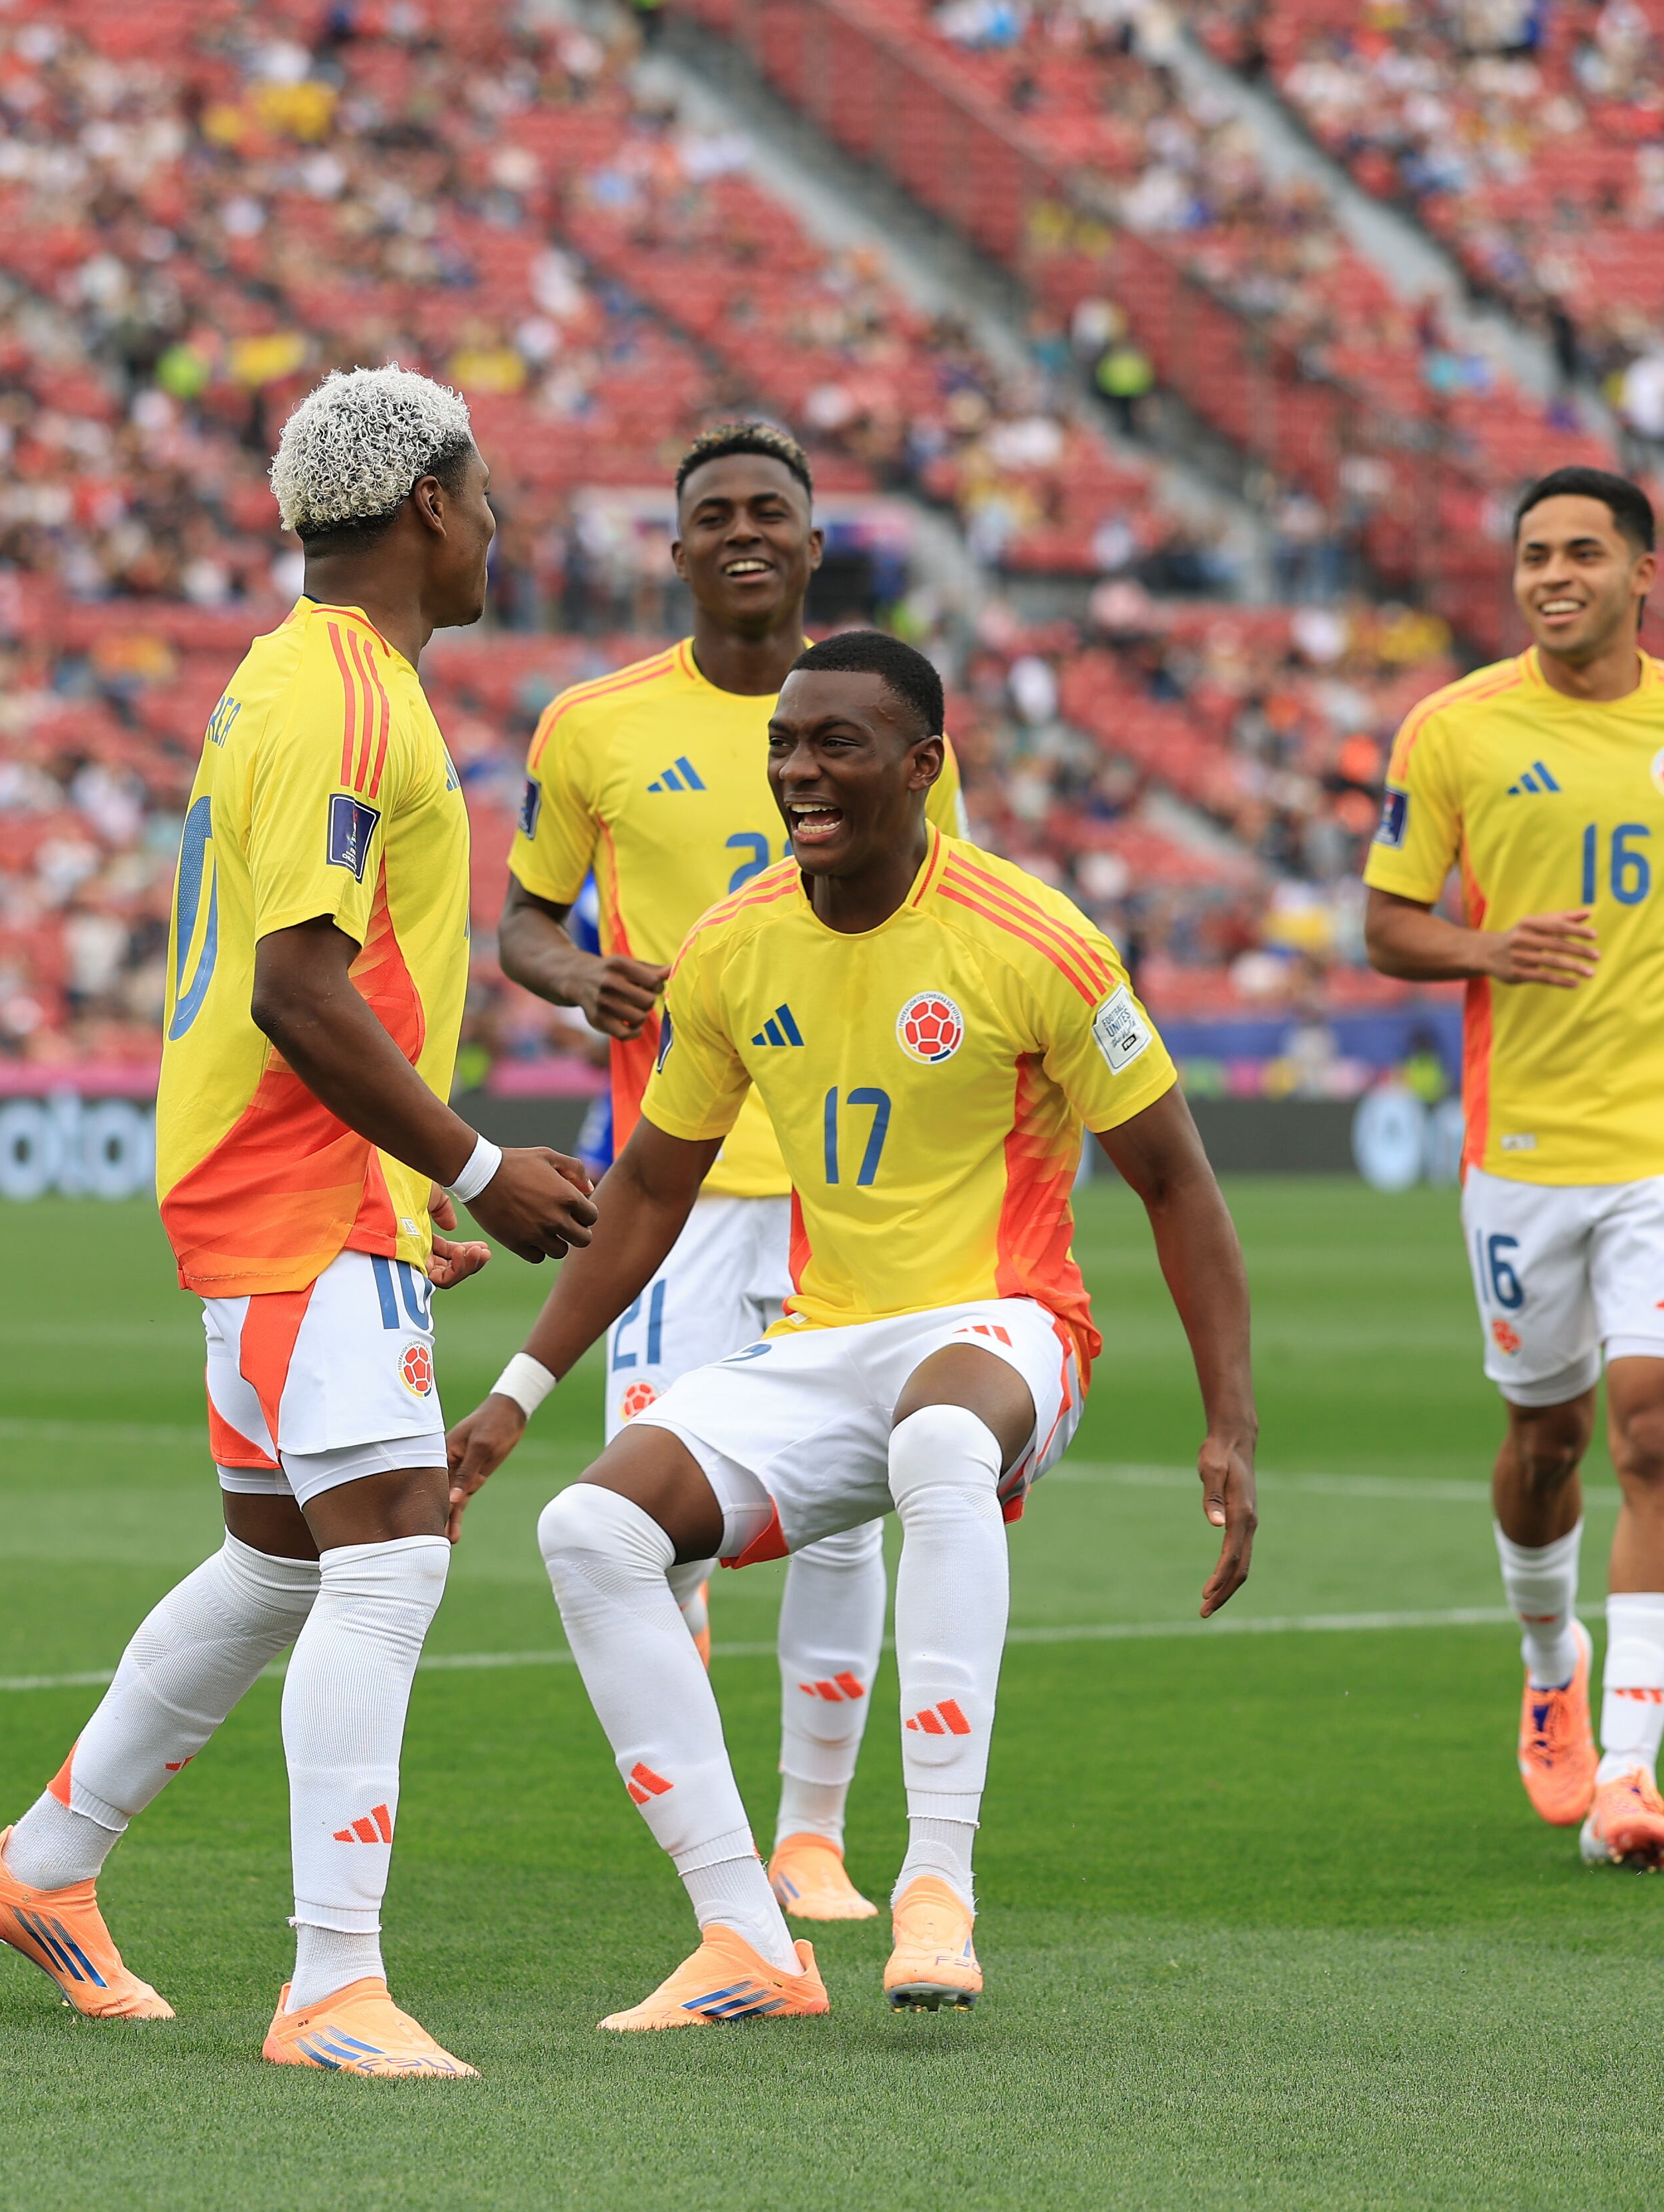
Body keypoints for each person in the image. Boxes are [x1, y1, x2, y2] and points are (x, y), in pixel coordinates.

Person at [449, 632, 1257, 2028]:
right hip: (830, 1342)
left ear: (925, 766)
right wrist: (517, 1393)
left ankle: (935, 1882)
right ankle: (742, 1933)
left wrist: (1229, 1422)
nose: (799, 773)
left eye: (836, 744)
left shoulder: (1038, 940)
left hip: (1011, 1327)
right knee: (589, 1532)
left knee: (940, 1438)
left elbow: (1177, 1180)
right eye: (784, 745)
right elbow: (648, 1186)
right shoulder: (735, 940)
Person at [0, 368, 596, 2079]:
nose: (500, 528)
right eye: (489, 496)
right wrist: (471, 1169)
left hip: (297, 1188)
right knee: (387, 1565)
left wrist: (408, 1190)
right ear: (430, 508)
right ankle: (330, 1986)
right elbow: (301, 985)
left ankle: (43, 1865)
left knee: (280, 1561)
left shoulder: (289, 683)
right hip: (295, 1186)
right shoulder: (346, 702)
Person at [496, 421, 967, 1924]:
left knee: (846, 1510)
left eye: (774, 509)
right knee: (653, 1512)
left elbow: (935, 914)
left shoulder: (885, 720)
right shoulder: (593, 729)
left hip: (848, 1177)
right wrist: (579, 979)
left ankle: (809, 1838)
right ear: (680, 547)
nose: (745, 531)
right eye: (717, 513)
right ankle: (713, 1854)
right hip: (677, 1183)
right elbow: (518, 920)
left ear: (817, 543)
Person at [1360, 466, 1664, 1875]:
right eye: (1531, 555)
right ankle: (1546, 1648)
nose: (1552, 574)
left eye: (1581, 551)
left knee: (1653, 1433)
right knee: (1544, 1443)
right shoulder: (1452, 729)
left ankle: (1628, 1768)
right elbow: (1387, 924)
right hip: (1523, 1154)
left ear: (1643, 571)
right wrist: (1486, 946)